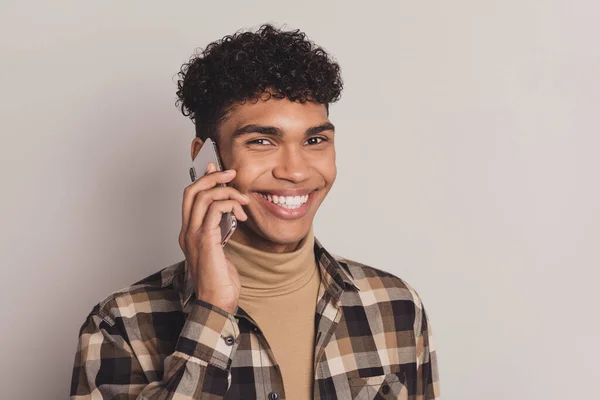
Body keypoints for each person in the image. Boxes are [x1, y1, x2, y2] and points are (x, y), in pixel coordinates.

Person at [70, 23, 440, 400]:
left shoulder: (395, 307)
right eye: (262, 141)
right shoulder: (121, 325)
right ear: (206, 159)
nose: (295, 171)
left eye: (315, 140)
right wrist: (211, 310)